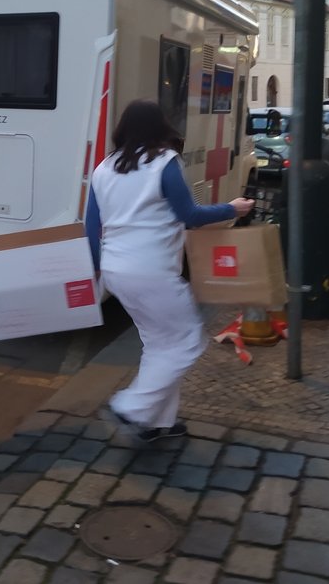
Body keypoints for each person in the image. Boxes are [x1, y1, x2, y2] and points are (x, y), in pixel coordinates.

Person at [85, 100, 254, 442]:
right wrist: (231, 208)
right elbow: (188, 215)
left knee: (160, 343)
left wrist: (95, 272)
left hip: (115, 270)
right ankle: (132, 407)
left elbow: (91, 227)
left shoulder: (103, 168)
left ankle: (157, 423)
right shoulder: (164, 162)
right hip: (152, 270)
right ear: (160, 127)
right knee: (187, 340)